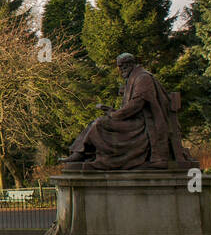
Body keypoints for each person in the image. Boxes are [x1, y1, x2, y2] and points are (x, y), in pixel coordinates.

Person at [62, 53, 193, 170]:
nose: (120, 70)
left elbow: (136, 105)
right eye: (119, 67)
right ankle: (79, 153)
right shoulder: (132, 78)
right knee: (95, 123)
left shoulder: (143, 78)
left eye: (122, 66)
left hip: (143, 125)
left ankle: (84, 154)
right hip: (133, 120)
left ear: (130, 65)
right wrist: (111, 110)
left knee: (99, 124)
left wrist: (115, 114)